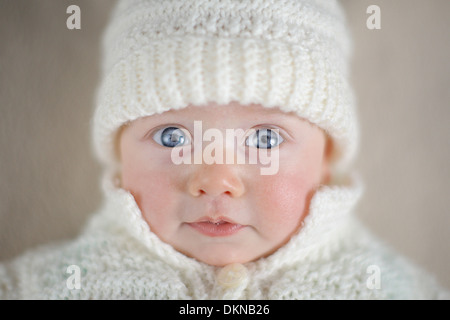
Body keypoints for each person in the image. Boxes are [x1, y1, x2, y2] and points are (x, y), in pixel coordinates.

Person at [0, 0, 448, 300]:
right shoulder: (44, 285)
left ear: (327, 156)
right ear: (119, 148)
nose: (215, 180)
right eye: (172, 136)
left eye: (266, 139)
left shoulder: (394, 288)